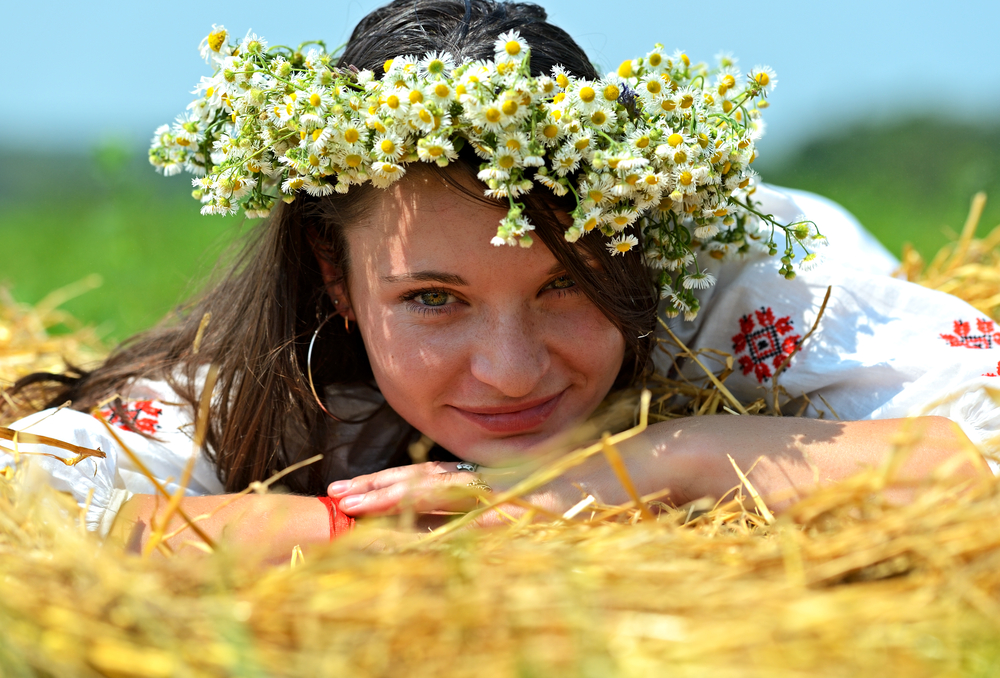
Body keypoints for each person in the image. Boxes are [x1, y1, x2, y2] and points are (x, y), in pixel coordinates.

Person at [1, 0, 994, 561]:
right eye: (433, 299)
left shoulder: (753, 290)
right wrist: (384, 522)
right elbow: (57, 506)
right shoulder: (257, 373)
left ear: (633, 247)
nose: (513, 373)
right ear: (335, 281)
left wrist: (651, 461)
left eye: (568, 285)